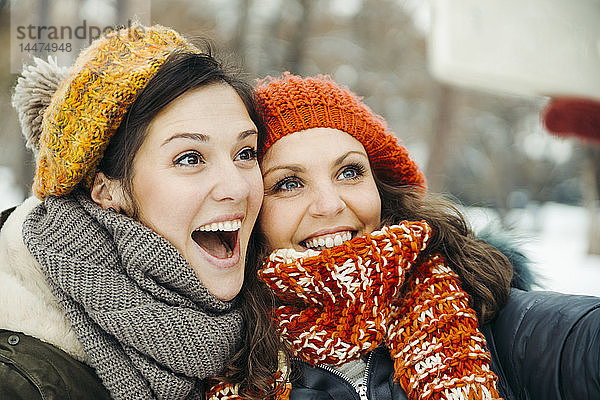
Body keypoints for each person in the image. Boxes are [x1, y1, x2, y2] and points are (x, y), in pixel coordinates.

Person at [251, 72, 600, 399]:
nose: (329, 205)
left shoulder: (488, 314)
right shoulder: (219, 358)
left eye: (349, 172)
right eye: (289, 183)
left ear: (381, 187)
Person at [0, 25, 287, 400]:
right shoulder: (20, 382)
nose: (236, 187)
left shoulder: (276, 318)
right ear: (106, 189)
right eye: (189, 158)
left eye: (245, 154)